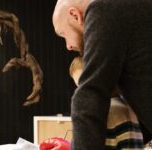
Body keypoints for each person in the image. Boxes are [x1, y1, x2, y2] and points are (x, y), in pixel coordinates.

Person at [52, 0, 152, 149]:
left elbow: (90, 95)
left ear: (75, 15)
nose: (68, 46)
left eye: (63, 34)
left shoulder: (104, 9)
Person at [70, 57, 144, 149]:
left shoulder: (106, 111)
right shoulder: (128, 105)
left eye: (85, 85)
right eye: (78, 86)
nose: (81, 92)